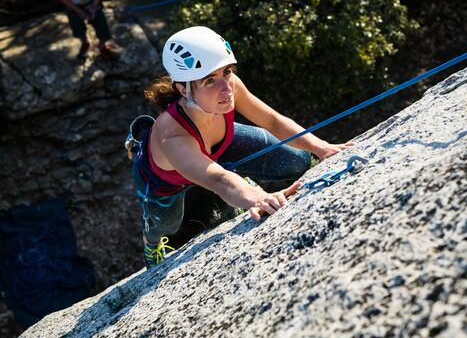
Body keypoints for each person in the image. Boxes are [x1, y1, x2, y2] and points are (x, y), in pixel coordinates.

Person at [127, 26, 354, 268]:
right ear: (184, 89)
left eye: (226, 72)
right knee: (166, 226)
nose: (226, 88)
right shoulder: (172, 134)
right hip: (164, 182)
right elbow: (218, 180)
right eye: (210, 80)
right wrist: (257, 199)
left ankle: (242, 182)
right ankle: (150, 244)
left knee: (296, 160)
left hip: (218, 148)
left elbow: (272, 120)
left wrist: (321, 147)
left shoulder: (230, 86)